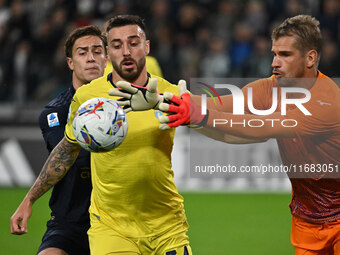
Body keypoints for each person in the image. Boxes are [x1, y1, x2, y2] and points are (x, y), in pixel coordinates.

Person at [117, 15, 340, 254]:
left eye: (285, 55)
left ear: (310, 58)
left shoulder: (327, 101)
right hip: (307, 220)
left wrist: (199, 116)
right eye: (274, 54)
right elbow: (217, 105)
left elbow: (262, 127)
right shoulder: (268, 88)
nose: (275, 62)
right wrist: (161, 101)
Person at [10, 14, 192, 255]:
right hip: (109, 227)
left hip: (167, 226)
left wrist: (194, 114)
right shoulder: (87, 98)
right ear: (110, 53)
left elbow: (223, 127)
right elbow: (66, 150)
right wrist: (30, 199)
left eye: (133, 43)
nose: (126, 51)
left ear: (146, 47)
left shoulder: (169, 92)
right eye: (117, 45)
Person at [10, 25, 107, 255]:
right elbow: (67, 156)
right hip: (69, 222)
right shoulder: (55, 113)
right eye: (82, 52)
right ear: (70, 62)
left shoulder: (124, 105)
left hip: (115, 222)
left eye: (97, 51)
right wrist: (29, 200)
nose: (91, 58)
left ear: (106, 58)